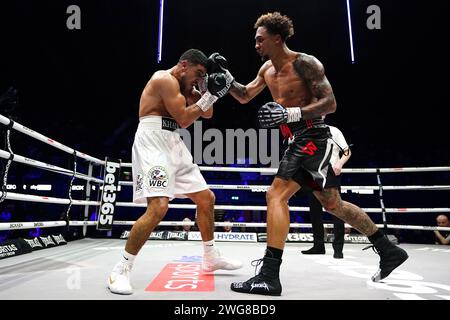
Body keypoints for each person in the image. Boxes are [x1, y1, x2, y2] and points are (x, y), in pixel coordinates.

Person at [208, 12, 408, 296]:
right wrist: (226, 80)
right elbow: (245, 95)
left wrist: (291, 112)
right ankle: (388, 250)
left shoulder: (305, 63)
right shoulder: (267, 69)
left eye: (260, 39)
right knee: (333, 204)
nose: (256, 44)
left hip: (313, 135)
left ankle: (269, 275)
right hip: (295, 139)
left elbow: (331, 103)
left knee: (275, 195)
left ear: (277, 38)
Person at [107, 49, 242, 295]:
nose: (197, 79)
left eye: (201, 74)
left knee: (206, 198)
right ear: (183, 65)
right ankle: (121, 269)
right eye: (197, 73)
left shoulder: (187, 87)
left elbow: (207, 113)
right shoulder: (164, 79)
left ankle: (210, 256)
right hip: (153, 141)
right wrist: (206, 96)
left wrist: (206, 88)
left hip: (173, 142)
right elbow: (184, 118)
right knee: (158, 207)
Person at [301, 125, 351, 259]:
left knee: (336, 210)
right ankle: (318, 246)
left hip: (330, 171)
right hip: (313, 172)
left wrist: (340, 163)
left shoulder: (334, 131)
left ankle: (338, 249)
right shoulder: (306, 131)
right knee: (314, 209)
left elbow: (347, 151)